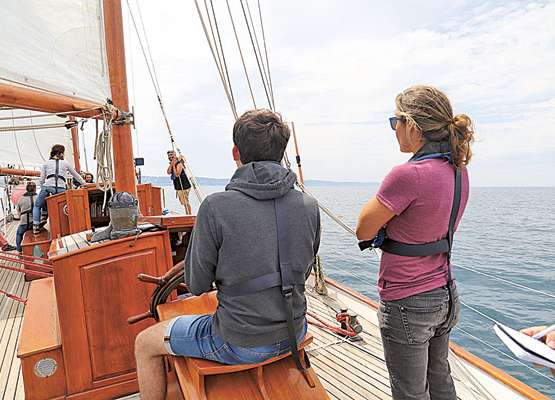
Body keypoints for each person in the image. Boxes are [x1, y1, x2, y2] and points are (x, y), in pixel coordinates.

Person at [135, 109, 321, 400]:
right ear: (281, 151)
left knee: (144, 343)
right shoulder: (310, 206)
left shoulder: (215, 206)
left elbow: (196, 286)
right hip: (295, 331)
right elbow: (304, 270)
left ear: (236, 151)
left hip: (239, 343)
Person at [356, 85, 475, 400]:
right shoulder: (458, 172)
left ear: (412, 125)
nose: (394, 130)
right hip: (445, 295)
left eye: (396, 122)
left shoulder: (407, 175)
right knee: (440, 381)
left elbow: (363, 229)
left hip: (409, 300)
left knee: (410, 393)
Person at [33, 144, 86, 233]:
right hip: (61, 189)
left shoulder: (46, 163)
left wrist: (42, 188)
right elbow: (76, 175)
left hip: (48, 187)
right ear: (61, 154)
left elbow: (41, 179)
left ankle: (36, 226)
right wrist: (85, 184)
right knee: (63, 208)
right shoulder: (65, 163)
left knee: (37, 205)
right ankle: (64, 227)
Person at [166, 150, 192, 214]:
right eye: (169, 155)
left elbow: (177, 174)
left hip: (184, 186)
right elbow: (168, 172)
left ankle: (189, 215)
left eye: (171, 155)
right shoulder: (172, 163)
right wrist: (172, 164)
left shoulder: (179, 163)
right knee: (184, 202)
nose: (170, 156)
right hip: (179, 186)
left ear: (174, 155)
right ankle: (187, 214)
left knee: (186, 202)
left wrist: (174, 166)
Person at [16, 182, 37, 252]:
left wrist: (21, 219)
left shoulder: (21, 199)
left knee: (19, 234)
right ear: (35, 189)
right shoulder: (37, 198)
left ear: (26, 189)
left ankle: (19, 250)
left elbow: (18, 211)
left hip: (24, 223)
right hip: (35, 223)